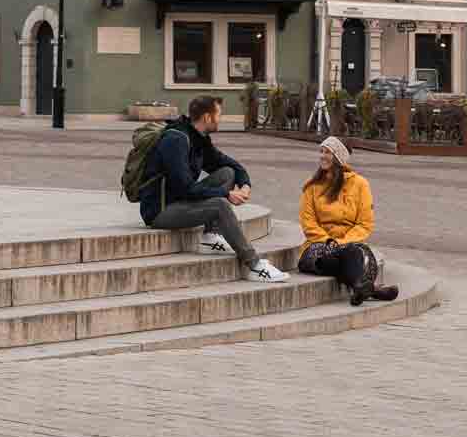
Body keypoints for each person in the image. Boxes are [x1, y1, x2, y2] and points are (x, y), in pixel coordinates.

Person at [139, 94, 289, 283]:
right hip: (160, 210)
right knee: (219, 205)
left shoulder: (198, 137)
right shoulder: (176, 140)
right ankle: (254, 265)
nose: (221, 119)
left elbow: (227, 163)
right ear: (207, 118)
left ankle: (210, 236)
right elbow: (186, 189)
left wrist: (245, 184)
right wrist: (226, 194)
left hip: (179, 200)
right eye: (219, 115)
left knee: (226, 173)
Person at [298, 136, 398, 306]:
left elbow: (364, 224)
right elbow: (308, 222)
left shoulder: (360, 185)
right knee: (337, 257)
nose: (322, 156)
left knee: (354, 252)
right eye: (321, 151)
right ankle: (369, 289)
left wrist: (342, 243)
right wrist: (329, 241)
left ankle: (360, 288)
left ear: (339, 158)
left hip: (349, 243)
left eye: (327, 152)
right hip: (317, 245)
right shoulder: (311, 186)